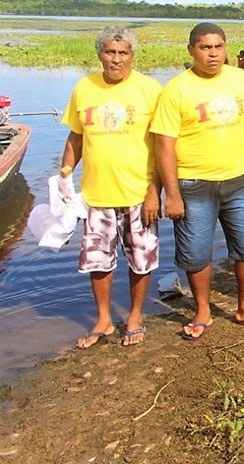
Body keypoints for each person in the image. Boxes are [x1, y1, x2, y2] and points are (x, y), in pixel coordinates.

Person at [152, 22, 244, 340]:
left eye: (218, 47)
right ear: (191, 49)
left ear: (226, 49)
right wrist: (172, 193)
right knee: (195, 253)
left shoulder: (240, 78)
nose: (212, 53)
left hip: (238, 181)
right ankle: (203, 311)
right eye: (205, 47)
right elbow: (164, 145)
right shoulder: (176, 89)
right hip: (193, 184)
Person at [60, 26, 163, 348]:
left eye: (122, 53)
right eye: (109, 52)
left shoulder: (150, 89)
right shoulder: (84, 87)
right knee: (98, 261)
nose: (115, 59)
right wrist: (63, 175)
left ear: (132, 55)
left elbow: (163, 145)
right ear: (99, 54)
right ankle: (103, 320)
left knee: (141, 260)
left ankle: (134, 317)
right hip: (96, 194)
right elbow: (76, 137)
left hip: (138, 193)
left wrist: (153, 191)